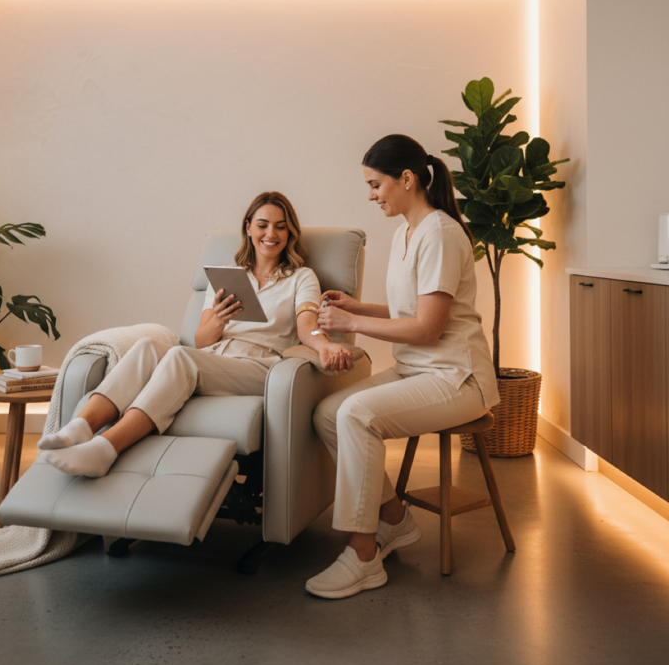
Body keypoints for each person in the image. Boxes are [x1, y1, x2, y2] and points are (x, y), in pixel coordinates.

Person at [38, 191, 354, 479]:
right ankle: (81, 427)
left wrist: (323, 344)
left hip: (261, 366)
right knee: (147, 347)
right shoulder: (228, 276)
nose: (271, 234)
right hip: (214, 357)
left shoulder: (301, 277)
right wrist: (219, 319)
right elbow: (202, 340)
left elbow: (307, 324)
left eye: (280, 227)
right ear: (248, 228)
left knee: (180, 357)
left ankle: (105, 449)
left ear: (290, 233)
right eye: (262, 225)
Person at [305, 134, 499, 599]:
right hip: (417, 369)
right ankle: (393, 518)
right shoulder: (405, 233)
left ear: (407, 179)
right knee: (329, 413)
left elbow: (428, 328)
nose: (372, 195)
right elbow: (411, 311)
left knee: (357, 414)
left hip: (456, 377)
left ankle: (363, 555)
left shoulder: (441, 234)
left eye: (376, 185)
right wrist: (359, 307)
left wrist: (352, 322)